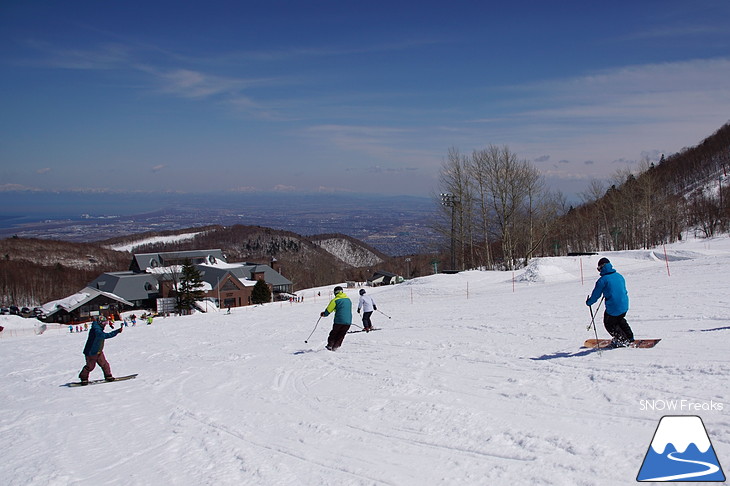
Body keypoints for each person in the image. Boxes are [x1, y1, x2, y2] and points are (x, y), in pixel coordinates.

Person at [586, 257, 635, 347]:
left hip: (613, 306)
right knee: (619, 319)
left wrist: (589, 302)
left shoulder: (602, 280)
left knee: (609, 323)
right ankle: (629, 337)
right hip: (624, 305)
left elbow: (595, 296)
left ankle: (622, 340)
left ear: (602, 267)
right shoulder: (619, 276)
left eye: (599, 269)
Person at [78, 316, 123, 384]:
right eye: (104, 323)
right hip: (91, 352)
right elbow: (103, 336)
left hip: (98, 351)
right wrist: (116, 332)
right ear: (100, 323)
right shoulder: (96, 330)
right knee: (90, 367)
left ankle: (108, 376)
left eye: (106, 322)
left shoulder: (98, 328)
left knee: (104, 364)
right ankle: (83, 378)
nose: (105, 324)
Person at [320, 286, 352, 351]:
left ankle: (330, 346)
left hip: (339, 320)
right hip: (348, 321)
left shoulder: (335, 300)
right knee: (341, 334)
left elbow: (328, 310)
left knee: (334, 333)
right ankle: (336, 347)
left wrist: (324, 314)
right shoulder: (348, 300)